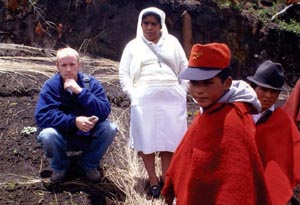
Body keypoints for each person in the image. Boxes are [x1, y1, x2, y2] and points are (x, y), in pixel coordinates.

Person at [162, 43, 271, 205]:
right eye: (194, 83)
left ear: (226, 83)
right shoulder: (209, 108)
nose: (199, 90)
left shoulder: (233, 119)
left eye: (207, 83)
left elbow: (236, 183)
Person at [118, 7, 188, 198]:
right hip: (144, 99)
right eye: (145, 23)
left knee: (169, 140)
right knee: (146, 139)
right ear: (141, 25)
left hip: (172, 98)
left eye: (153, 24)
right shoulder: (133, 46)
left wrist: (182, 91)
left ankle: (167, 178)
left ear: (161, 25)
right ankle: (153, 180)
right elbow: (124, 73)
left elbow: (185, 68)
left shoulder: (172, 43)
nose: (149, 27)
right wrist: (133, 94)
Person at [35, 47, 117, 183]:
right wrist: (74, 121)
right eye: (64, 65)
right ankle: (60, 168)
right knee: (48, 134)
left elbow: (104, 110)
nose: (68, 69)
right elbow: (42, 116)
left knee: (109, 128)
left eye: (72, 64)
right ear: (57, 66)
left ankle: (89, 164)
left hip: (87, 135)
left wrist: (80, 92)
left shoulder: (91, 83)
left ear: (79, 65)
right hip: (62, 136)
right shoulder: (51, 86)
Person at [247, 60, 300, 205]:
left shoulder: (283, 121)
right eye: (263, 89)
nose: (269, 95)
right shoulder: (239, 114)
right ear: (253, 87)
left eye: (274, 91)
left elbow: (294, 155)